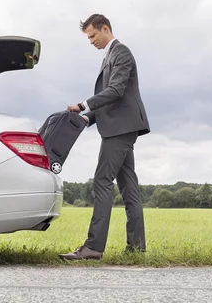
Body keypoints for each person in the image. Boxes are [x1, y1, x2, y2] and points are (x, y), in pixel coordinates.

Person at [59, 13, 150, 260]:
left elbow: (116, 90)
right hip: (119, 126)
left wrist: (83, 104)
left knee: (102, 181)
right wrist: (87, 118)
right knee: (129, 188)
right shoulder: (109, 55)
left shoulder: (121, 52)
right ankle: (137, 249)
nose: (90, 41)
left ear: (105, 28)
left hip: (121, 128)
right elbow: (110, 98)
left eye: (92, 36)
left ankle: (93, 248)